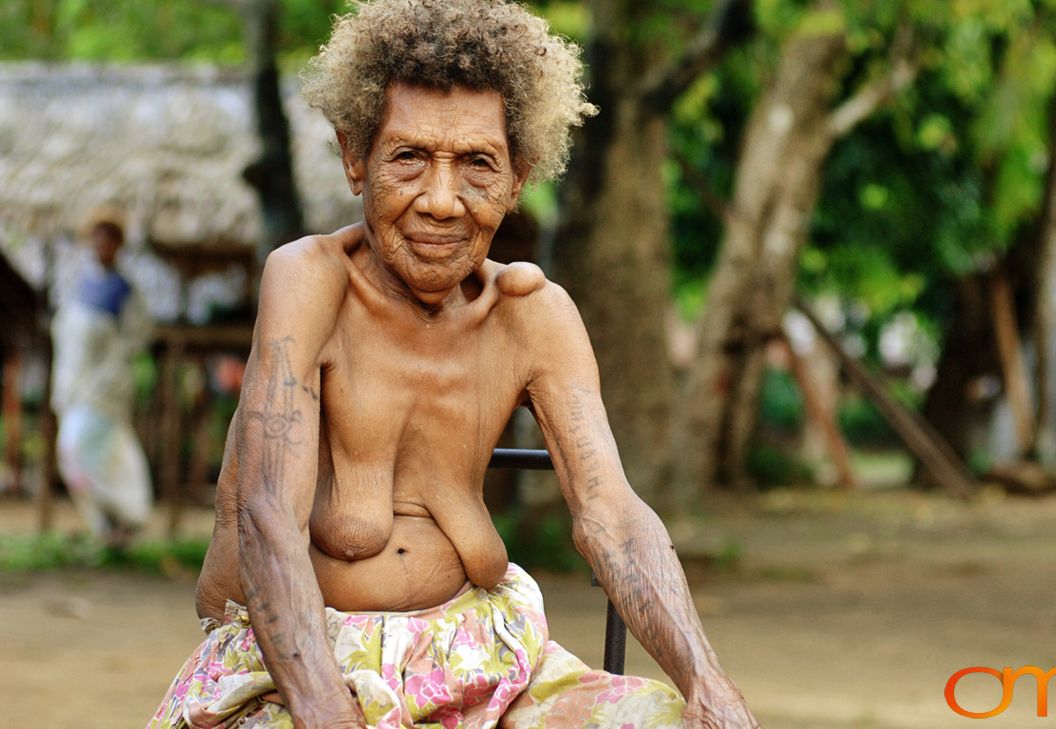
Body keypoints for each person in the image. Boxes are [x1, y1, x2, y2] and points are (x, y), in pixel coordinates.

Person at [149, 1, 760, 727]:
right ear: (354, 157)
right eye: (408, 157)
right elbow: (267, 514)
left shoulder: (533, 313)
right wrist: (322, 707)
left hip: (484, 660)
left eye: (477, 165)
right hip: (297, 664)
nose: (441, 201)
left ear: (518, 177)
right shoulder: (308, 278)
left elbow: (613, 517)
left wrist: (708, 681)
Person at [51, 211, 153, 547]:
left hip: (104, 392)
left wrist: (100, 381)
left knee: (84, 447)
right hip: (73, 389)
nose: (103, 243)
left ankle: (130, 512)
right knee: (78, 454)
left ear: (119, 245)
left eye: (111, 237)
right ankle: (108, 527)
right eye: (98, 235)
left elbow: (133, 341)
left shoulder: (125, 291)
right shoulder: (76, 285)